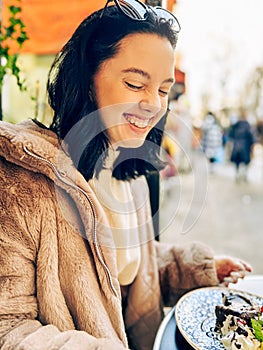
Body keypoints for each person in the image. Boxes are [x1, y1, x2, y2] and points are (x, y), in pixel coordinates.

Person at [0, 1, 252, 349]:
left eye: (163, 90)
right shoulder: (20, 184)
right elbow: (9, 328)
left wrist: (196, 270)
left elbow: (124, 273)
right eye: (135, 83)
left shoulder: (125, 171)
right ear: (89, 81)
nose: (154, 103)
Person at [229, 111, 256, 182]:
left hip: (236, 146)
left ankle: (237, 174)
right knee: (246, 161)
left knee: (237, 161)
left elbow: (231, 135)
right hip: (245, 147)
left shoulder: (236, 126)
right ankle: (244, 174)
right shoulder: (248, 126)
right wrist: (252, 147)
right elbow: (252, 137)